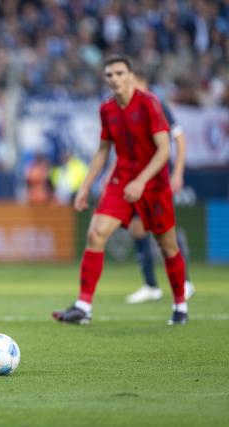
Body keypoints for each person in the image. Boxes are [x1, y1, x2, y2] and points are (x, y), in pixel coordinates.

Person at [52, 55, 190, 326]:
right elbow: (103, 151)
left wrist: (142, 181)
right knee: (96, 233)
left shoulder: (150, 103)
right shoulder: (106, 109)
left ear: (130, 75)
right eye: (109, 75)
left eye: (119, 73)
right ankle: (83, 307)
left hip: (153, 185)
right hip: (121, 182)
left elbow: (164, 150)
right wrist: (85, 186)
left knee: (167, 246)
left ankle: (180, 306)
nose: (114, 79)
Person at [124, 71, 195, 304]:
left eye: (130, 81)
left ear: (141, 82)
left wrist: (178, 172)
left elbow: (179, 138)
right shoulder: (129, 108)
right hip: (137, 177)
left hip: (158, 177)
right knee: (137, 228)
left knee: (164, 230)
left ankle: (184, 282)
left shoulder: (156, 104)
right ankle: (151, 285)